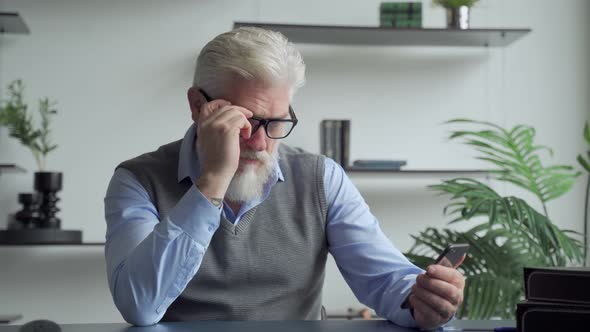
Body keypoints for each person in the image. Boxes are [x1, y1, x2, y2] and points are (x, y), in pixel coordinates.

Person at [104, 27, 465, 329]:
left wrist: (422, 300)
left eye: (276, 122)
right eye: (245, 122)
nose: (260, 143)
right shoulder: (138, 180)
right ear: (199, 106)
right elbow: (139, 306)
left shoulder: (321, 179)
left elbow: (386, 279)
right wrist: (212, 180)